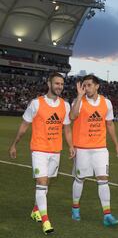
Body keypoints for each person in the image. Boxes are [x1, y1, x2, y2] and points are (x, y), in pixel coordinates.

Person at [9, 72, 75, 235]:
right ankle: (46, 221)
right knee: (41, 182)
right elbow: (24, 125)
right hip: (39, 149)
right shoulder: (36, 103)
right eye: (56, 83)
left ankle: (35, 211)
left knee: (46, 184)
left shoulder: (65, 105)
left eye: (61, 84)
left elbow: (67, 128)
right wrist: (14, 145)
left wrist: (71, 146)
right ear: (49, 84)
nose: (59, 86)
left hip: (55, 150)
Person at [70, 75, 118, 227]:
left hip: (100, 148)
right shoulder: (78, 101)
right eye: (84, 85)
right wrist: (79, 97)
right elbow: (72, 116)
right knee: (80, 179)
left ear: (97, 86)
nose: (86, 88)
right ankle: (75, 208)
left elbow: (110, 124)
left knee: (103, 180)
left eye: (88, 85)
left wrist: (117, 145)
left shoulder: (106, 103)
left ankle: (107, 215)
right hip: (82, 148)